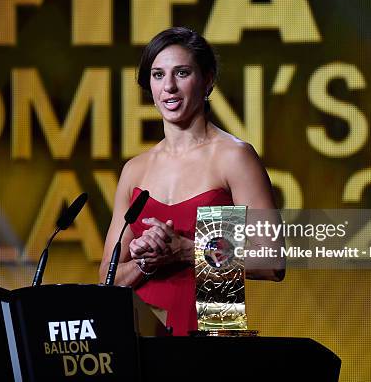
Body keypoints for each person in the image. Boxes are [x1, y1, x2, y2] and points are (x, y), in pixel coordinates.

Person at [99, 27, 284, 336]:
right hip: (142, 338)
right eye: (158, 75)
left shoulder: (233, 157)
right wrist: (146, 262)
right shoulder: (135, 170)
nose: (168, 87)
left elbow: (273, 260)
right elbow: (107, 276)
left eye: (181, 73)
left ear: (207, 79)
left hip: (213, 330)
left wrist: (186, 249)